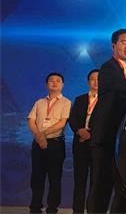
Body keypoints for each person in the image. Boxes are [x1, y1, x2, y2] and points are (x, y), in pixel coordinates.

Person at [88, 29, 126, 214]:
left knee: (123, 187)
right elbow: (120, 86)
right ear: (114, 45)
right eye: (124, 42)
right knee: (101, 186)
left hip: (122, 139)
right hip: (106, 137)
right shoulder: (109, 68)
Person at [27, 72, 72, 214]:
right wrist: (38, 136)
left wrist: (43, 134)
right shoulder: (39, 102)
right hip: (38, 143)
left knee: (55, 177)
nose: (54, 82)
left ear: (62, 85)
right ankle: (35, 206)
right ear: (47, 84)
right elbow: (31, 120)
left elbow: (62, 123)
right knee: (36, 176)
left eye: (58, 80)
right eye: (51, 80)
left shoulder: (66, 102)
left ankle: (52, 208)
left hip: (55, 144)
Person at [68, 69, 99, 214]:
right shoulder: (80, 99)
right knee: (79, 181)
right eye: (93, 79)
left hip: (97, 145)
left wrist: (91, 135)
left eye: (99, 79)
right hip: (80, 143)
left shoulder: (107, 100)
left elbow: (107, 122)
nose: (96, 82)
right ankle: (77, 211)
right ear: (88, 82)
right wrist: (79, 131)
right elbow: (73, 118)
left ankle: (92, 210)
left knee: (95, 182)